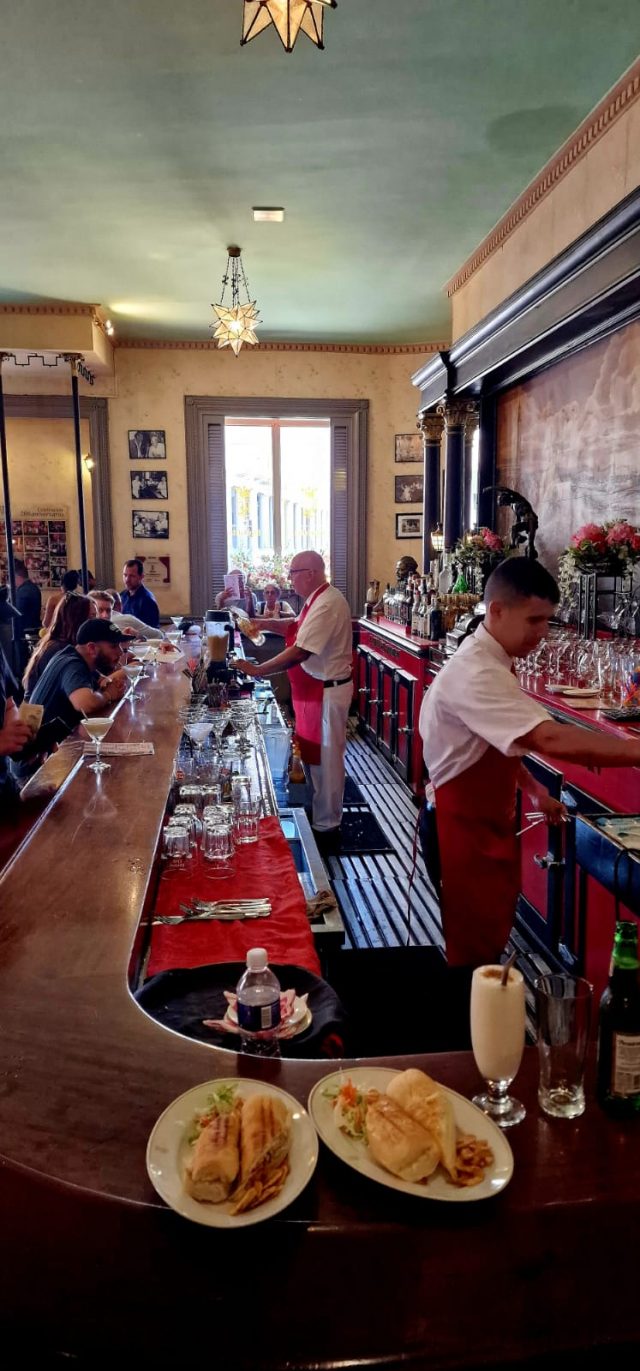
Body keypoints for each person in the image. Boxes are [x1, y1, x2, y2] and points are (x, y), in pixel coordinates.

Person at [419, 557, 640, 972]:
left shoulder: (489, 657)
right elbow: (547, 737)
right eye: (534, 620)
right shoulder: (477, 671)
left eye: (547, 621)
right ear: (497, 610)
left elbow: (494, 740)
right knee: (473, 955)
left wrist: (534, 790)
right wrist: (633, 751)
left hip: (480, 826)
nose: (542, 633)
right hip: (459, 830)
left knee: (486, 941)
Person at [239, 552, 353, 846]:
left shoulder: (328, 603)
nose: (289, 578)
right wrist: (263, 623)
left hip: (327, 690)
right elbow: (296, 624)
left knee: (326, 761)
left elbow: (301, 651)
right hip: (314, 689)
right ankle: (317, 816)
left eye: (293, 572)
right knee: (313, 757)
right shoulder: (316, 599)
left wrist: (259, 670)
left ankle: (327, 828)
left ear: (311, 573)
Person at [13, 619, 128, 785]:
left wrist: (109, 686)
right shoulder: (72, 664)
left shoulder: (73, 656)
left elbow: (104, 682)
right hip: (35, 769)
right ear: (92, 648)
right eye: (114, 646)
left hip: (56, 755)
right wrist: (108, 695)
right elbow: (84, 703)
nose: (120, 652)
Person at [23, 592, 95, 699]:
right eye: (92, 617)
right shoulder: (61, 650)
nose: (97, 622)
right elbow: (84, 699)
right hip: (39, 710)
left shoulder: (57, 644)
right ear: (78, 620)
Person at [89, 589, 165, 641]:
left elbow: (120, 649)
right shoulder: (87, 633)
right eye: (100, 610)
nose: (105, 615)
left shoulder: (112, 627)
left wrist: (137, 637)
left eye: (108, 611)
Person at [121, 559, 160, 629]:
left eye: (132, 576)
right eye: (125, 575)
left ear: (141, 577)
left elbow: (152, 631)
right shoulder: (122, 596)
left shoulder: (148, 600)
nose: (127, 580)